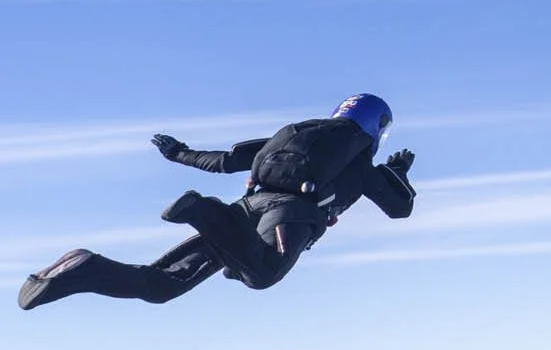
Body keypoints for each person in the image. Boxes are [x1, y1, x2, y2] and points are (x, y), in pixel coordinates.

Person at [18, 96, 414, 309]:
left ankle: (80, 269)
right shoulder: (362, 163)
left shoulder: (290, 136)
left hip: (242, 212)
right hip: (284, 216)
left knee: (160, 287)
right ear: (377, 127)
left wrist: (178, 154)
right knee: (261, 275)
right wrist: (400, 176)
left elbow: (226, 161)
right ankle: (199, 212)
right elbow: (400, 208)